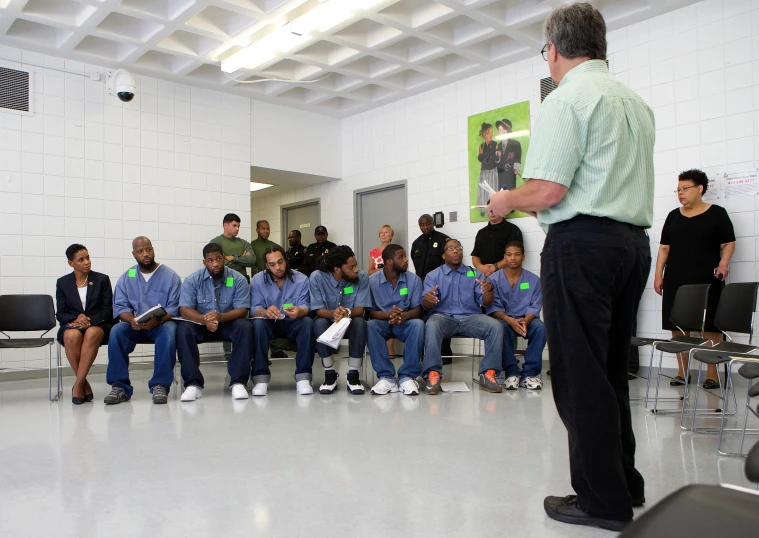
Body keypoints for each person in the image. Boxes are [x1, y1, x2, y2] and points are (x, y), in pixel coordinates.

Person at [486, 3, 654, 531]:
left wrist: (504, 200)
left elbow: (549, 191)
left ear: (554, 50)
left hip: (582, 246)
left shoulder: (566, 99)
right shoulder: (634, 101)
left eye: (545, 52)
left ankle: (602, 501)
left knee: (581, 379)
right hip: (631, 246)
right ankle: (624, 483)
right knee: (608, 373)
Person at [654, 169, 735, 388]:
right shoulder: (673, 216)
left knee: (710, 327)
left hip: (707, 277)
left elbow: (728, 243)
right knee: (678, 327)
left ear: (700, 188)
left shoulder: (717, 213)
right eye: (678, 189)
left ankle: (712, 375)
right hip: (676, 278)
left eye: (685, 188)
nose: (680, 193)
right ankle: (682, 372)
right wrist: (658, 275)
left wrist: (724, 263)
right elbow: (664, 249)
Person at [421, 238, 504, 395]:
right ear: (443, 255)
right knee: (431, 324)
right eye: (450, 248)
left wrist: (489, 291)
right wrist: (428, 299)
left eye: (458, 247)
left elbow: (486, 303)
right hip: (443, 317)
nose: (455, 250)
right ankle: (433, 374)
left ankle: (488, 374)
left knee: (495, 326)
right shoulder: (433, 276)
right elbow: (426, 306)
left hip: (471, 318)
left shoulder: (474, 273)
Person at [105, 237, 182, 405]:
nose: (145, 254)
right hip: (136, 325)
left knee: (169, 331)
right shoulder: (128, 276)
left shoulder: (170, 276)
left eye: (148, 249)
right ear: (134, 254)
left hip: (160, 324)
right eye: (140, 251)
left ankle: (160, 385)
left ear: (153, 249)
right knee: (116, 331)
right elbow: (120, 307)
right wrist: (131, 320)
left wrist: (159, 320)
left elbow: (175, 306)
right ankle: (120, 386)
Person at [176, 243, 253, 402]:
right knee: (183, 329)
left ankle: (238, 382)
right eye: (210, 260)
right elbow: (184, 309)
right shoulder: (193, 280)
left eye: (218, 259)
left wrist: (220, 317)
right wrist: (204, 320)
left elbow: (243, 309)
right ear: (204, 262)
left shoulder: (237, 279)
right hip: (201, 323)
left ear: (224, 258)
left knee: (245, 326)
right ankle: (192, 384)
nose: (215, 263)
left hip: (227, 322)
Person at [250, 246, 314, 396]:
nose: (278, 267)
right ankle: (260, 378)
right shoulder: (258, 280)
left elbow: (306, 306)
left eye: (280, 262)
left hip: (292, 321)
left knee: (307, 323)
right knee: (258, 324)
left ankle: (303, 377)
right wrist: (265, 312)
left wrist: (300, 311)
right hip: (268, 322)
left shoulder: (302, 279)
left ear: (286, 259)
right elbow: (254, 308)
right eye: (272, 264)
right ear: (266, 265)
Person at [55, 244, 114, 404]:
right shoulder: (62, 283)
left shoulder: (101, 279)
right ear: (71, 263)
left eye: (88, 257)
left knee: (92, 332)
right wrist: (76, 318)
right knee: (70, 335)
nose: (87, 262)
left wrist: (89, 320)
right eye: (81, 260)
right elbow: (60, 313)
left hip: (99, 325)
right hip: (74, 325)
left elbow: (108, 310)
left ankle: (78, 385)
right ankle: (84, 384)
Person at [310, 245, 371, 395]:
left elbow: (361, 309)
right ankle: (330, 374)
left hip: (350, 320)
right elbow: (318, 309)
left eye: (355, 265)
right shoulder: (317, 277)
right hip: (328, 320)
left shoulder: (362, 277)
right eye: (351, 267)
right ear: (337, 269)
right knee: (318, 322)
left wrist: (347, 312)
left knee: (360, 322)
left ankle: (353, 375)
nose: (356, 270)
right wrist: (333, 314)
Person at [487, 241, 546, 390]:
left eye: (517, 254)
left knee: (541, 329)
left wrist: (526, 320)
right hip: (504, 319)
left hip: (527, 320)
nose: (513, 258)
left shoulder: (533, 280)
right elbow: (493, 306)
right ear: (504, 257)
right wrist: (509, 320)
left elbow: (535, 305)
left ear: (523, 257)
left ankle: (529, 374)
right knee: (499, 328)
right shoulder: (494, 279)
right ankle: (512, 373)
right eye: (509, 254)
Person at [367, 244, 424, 396]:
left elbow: (417, 310)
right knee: (371, 326)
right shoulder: (371, 282)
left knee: (418, 325)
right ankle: (387, 378)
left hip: (404, 322)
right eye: (401, 257)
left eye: (405, 256)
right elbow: (371, 312)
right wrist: (389, 315)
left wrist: (403, 316)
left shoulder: (414, 280)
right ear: (389, 262)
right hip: (383, 322)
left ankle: (407, 376)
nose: (406, 260)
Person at [410, 214, 453, 360]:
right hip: (422, 285)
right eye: (422, 225)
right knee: (423, 316)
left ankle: (445, 353)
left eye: (427, 224)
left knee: (443, 314)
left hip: (440, 284)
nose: (425, 227)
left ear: (433, 223)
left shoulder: (443, 240)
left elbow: (448, 263)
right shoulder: (416, 243)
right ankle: (425, 352)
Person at [368, 224, 396, 358]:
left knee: (393, 308)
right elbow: (369, 271)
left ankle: (390, 346)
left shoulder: (395, 251)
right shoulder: (373, 252)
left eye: (386, 232)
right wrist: (378, 270)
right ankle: (382, 346)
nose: (383, 235)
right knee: (380, 310)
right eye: (381, 233)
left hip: (392, 283)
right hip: (377, 284)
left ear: (391, 235)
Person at [471, 211, 524, 277]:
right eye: (489, 210)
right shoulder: (481, 233)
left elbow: (514, 256)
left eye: (494, 210)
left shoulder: (513, 230)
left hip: (507, 276)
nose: (491, 213)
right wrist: (481, 267)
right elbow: (475, 256)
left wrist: (495, 267)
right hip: (484, 277)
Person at [210, 213, 256, 281]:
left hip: (243, 280)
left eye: (238, 226)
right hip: (228, 280)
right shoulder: (216, 242)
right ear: (225, 225)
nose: (237, 228)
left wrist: (233, 258)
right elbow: (219, 264)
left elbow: (252, 260)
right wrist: (242, 262)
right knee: (229, 290)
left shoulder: (243, 243)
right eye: (234, 225)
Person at [476, 122, 499, 215]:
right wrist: (486, 155)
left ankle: (493, 208)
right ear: (484, 134)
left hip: (493, 170)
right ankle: (483, 209)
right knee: (483, 190)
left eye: (491, 132)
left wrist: (495, 155)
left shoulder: (495, 144)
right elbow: (480, 158)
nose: (491, 134)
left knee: (492, 189)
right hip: (484, 172)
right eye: (489, 132)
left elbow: (497, 158)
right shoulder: (481, 146)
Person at [495, 119, 522, 191]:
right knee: (501, 194)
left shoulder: (515, 144)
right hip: (500, 175)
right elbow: (496, 162)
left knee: (510, 192)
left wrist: (516, 168)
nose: (498, 132)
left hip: (510, 174)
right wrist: (498, 156)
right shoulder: (498, 146)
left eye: (500, 130)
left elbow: (517, 157)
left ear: (506, 131)